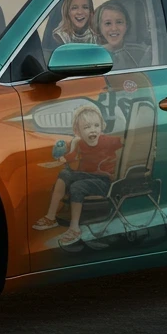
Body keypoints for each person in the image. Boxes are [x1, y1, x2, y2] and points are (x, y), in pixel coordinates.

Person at [32, 105, 122, 246]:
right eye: (86, 127)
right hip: (86, 175)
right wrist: (63, 158)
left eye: (96, 125)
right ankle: (51, 217)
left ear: (102, 126)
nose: (93, 130)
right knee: (64, 173)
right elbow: (71, 156)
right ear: (78, 131)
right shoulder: (79, 143)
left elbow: (125, 141)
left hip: (104, 181)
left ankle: (74, 228)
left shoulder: (109, 141)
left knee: (77, 186)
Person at [95, 0, 152, 69]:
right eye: (108, 23)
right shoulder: (94, 56)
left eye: (119, 22)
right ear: (100, 27)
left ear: (127, 25)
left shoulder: (142, 54)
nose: (114, 28)